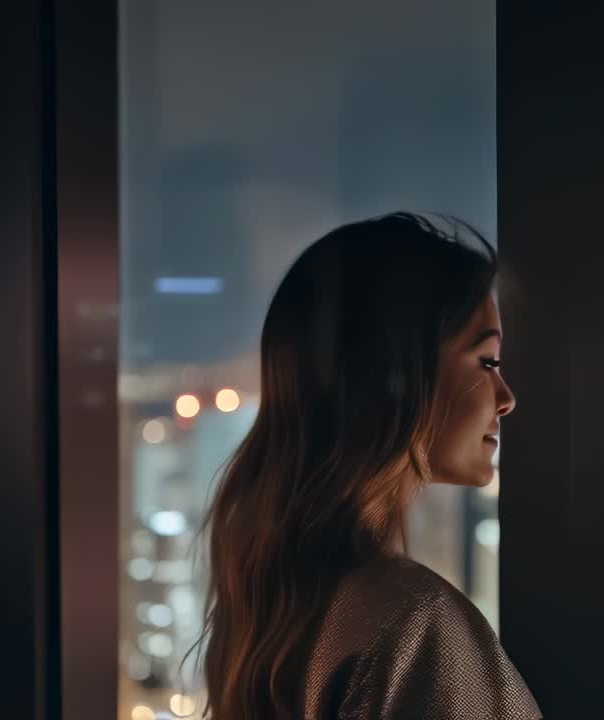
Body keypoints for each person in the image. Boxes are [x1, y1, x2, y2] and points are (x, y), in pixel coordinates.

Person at [194, 213, 542, 719]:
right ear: (399, 373)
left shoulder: (278, 604)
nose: (506, 398)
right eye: (486, 361)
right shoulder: (412, 621)